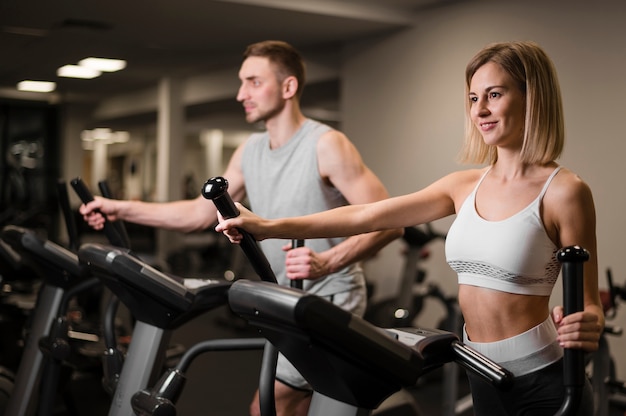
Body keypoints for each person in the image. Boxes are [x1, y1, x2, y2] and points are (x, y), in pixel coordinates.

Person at [216, 40, 605, 415]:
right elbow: (367, 215)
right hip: (481, 371)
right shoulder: (464, 186)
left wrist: (588, 323)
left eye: (495, 95)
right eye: (473, 98)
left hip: (543, 378)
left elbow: (588, 305)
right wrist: (266, 226)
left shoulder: (565, 192)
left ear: (531, 97)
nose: (480, 110)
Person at [79, 40, 402, 416]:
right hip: (285, 297)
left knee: (269, 406)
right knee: (297, 406)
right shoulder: (249, 150)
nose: (240, 94)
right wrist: (123, 209)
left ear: (288, 87)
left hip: (330, 296)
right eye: (241, 82)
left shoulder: (327, 145)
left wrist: (328, 261)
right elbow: (198, 214)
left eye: (252, 82)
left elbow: (390, 222)